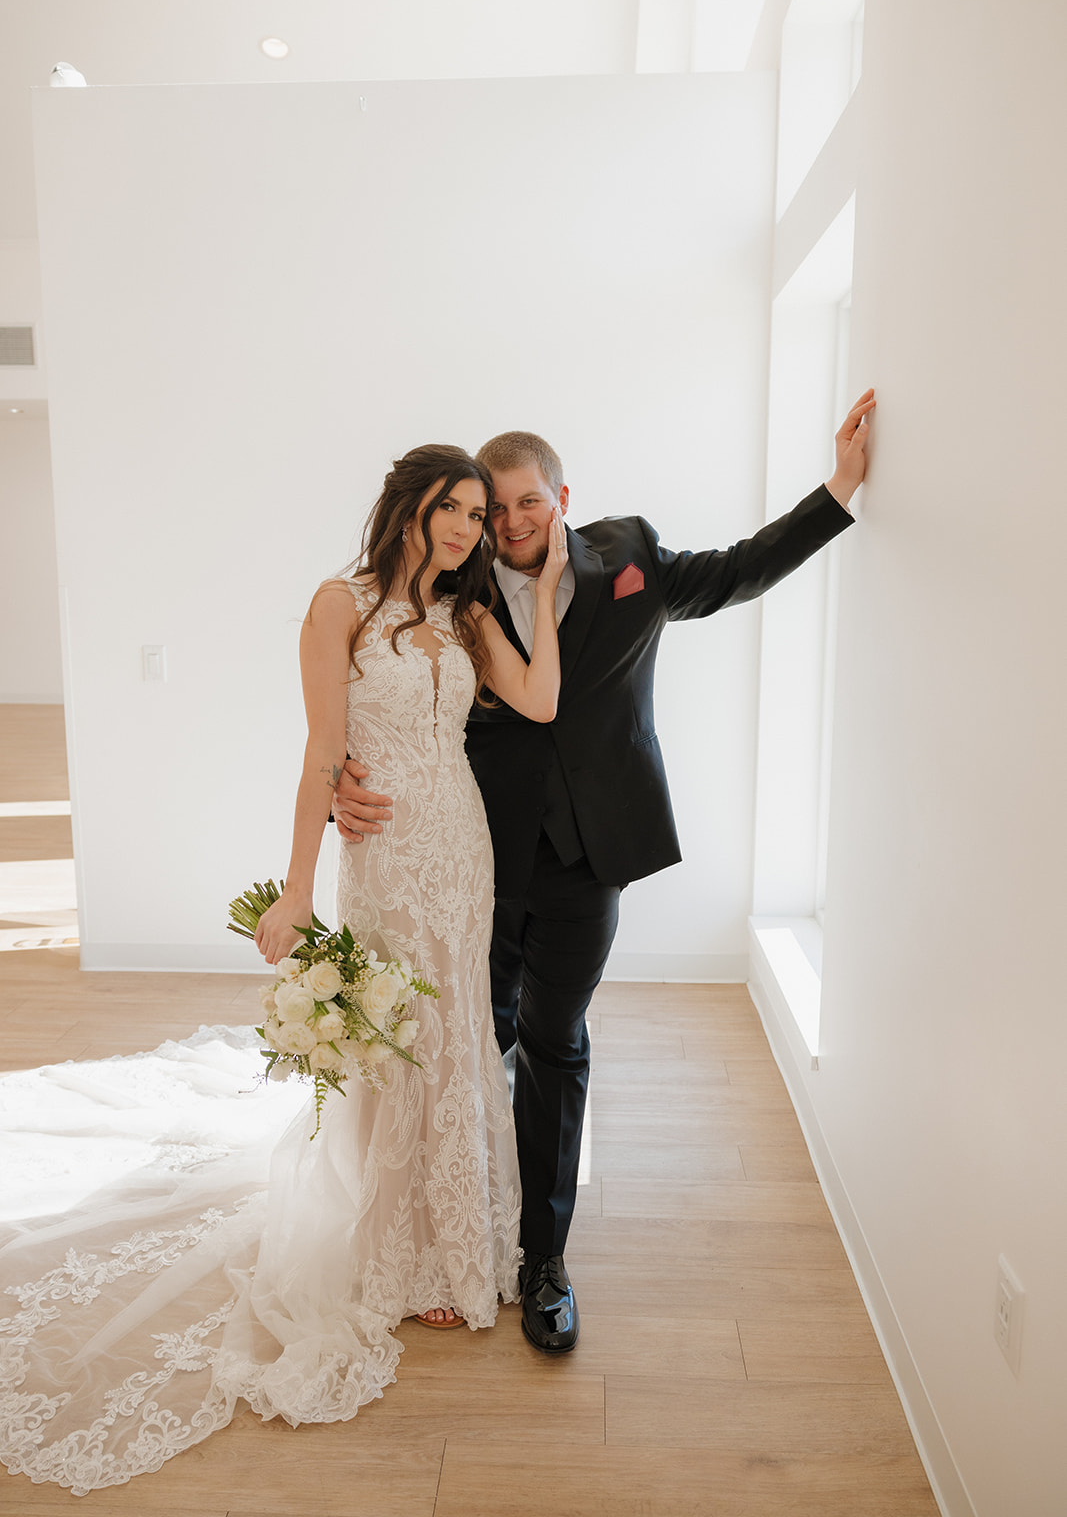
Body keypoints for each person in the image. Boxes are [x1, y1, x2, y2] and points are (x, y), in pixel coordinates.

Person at [0, 444, 568, 1497]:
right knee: (395, 1035)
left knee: (454, 1039)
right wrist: (300, 886)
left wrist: (551, 573)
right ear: (408, 505)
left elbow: (536, 701)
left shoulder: (471, 611)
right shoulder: (337, 603)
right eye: (450, 507)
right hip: (386, 853)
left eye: (478, 514)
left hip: (463, 847)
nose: (464, 527)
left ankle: (458, 1247)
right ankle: (393, 1252)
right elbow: (320, 751)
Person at [331, 391, 875, 1354]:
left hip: (592, 860)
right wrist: (342, 777)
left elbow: (739, 573)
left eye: (525, 503)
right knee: (469, 1037)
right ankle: (461, 1232)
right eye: (492, 510)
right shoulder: (457, 586)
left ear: (561, 497)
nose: (507, 523)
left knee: (553, 1042)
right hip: (473, 856)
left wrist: (837, 487)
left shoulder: (628, 558)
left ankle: (543, 1259)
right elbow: (385, 687)